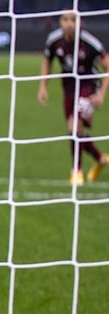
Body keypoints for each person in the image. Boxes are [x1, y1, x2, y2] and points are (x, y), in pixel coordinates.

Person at [38, 12, 109, 185]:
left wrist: (101, 94)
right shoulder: (54, 40)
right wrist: (42, 86)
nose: (69, 23)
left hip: (89, 86)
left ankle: (76, 172)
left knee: (74, 125)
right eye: (65, 19)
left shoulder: (89, 42)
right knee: (73, 131)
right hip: (69, 89)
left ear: (80, 22)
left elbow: (107, 65)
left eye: (73, 19)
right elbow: (47, 61)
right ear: (60, 22)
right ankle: (100, 159)